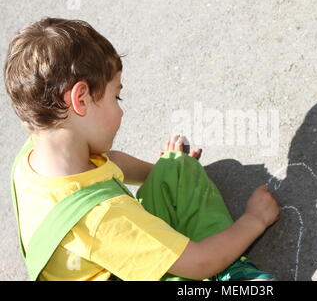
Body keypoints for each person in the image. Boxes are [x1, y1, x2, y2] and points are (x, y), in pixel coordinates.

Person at [3, 17, 280, 281]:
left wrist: (162, 171)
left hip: (104, 255)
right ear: (81, 99)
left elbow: (109, 163)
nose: (121, 110)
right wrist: (254, 220)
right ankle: (234, 274)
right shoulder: (102, 217)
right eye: (116, 96)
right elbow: (199, 262)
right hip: (128, 266)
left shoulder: (35, 155)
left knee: (177, 166)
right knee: (204, 264)